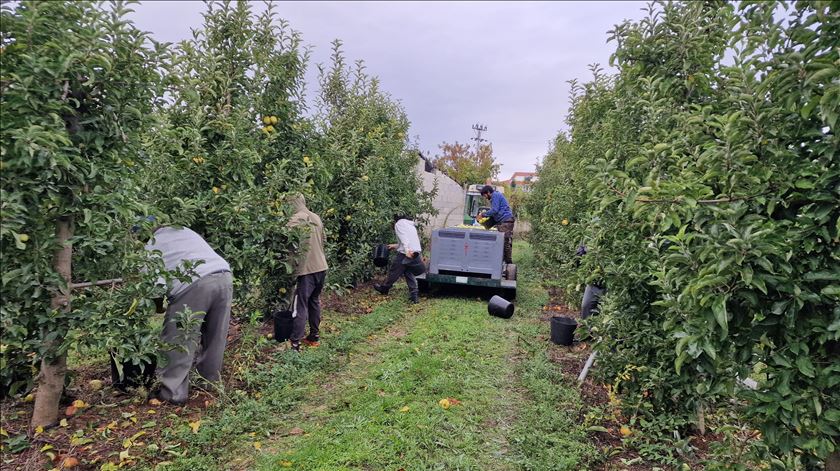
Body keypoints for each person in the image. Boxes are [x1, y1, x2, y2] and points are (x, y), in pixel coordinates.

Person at [146, 225, 233, 405]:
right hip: (223, 275)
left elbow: (155, 287)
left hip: (194, 283)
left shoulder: (151, 246)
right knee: (216, 335)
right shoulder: (183, 230)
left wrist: (158, 307)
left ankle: (173, 392)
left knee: (179, 337)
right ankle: (209, 383)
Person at [287, 194, 328, 352]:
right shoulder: (316, 217)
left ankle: (295, 343)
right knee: (314, 300)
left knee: (300, 305)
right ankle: (314, 336)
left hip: (306, 270)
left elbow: (287, 244)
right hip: (321, 266)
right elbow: (323, 240)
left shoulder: (295, 219)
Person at [374, 214, 422, 304]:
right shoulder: (409, 225)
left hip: (406, 253)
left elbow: (405, 240)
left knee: (394, 270)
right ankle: (414, 295)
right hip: (415, 252)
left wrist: (407, 251)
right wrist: (395, 246)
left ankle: (384, 288)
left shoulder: (399, 224)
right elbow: (408, 241)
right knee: (408, 272)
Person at [478, 185, 515, 264]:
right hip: (503, 220)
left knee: (505, 241)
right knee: (501, 240)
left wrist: (483, 215)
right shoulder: (495, 197)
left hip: (506, 220)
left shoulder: (495, 196)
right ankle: (501, 259)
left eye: (485, 195)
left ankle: (508, 263)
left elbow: (494, 210)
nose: (485, 197)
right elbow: (496, 213)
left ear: (488, 192)